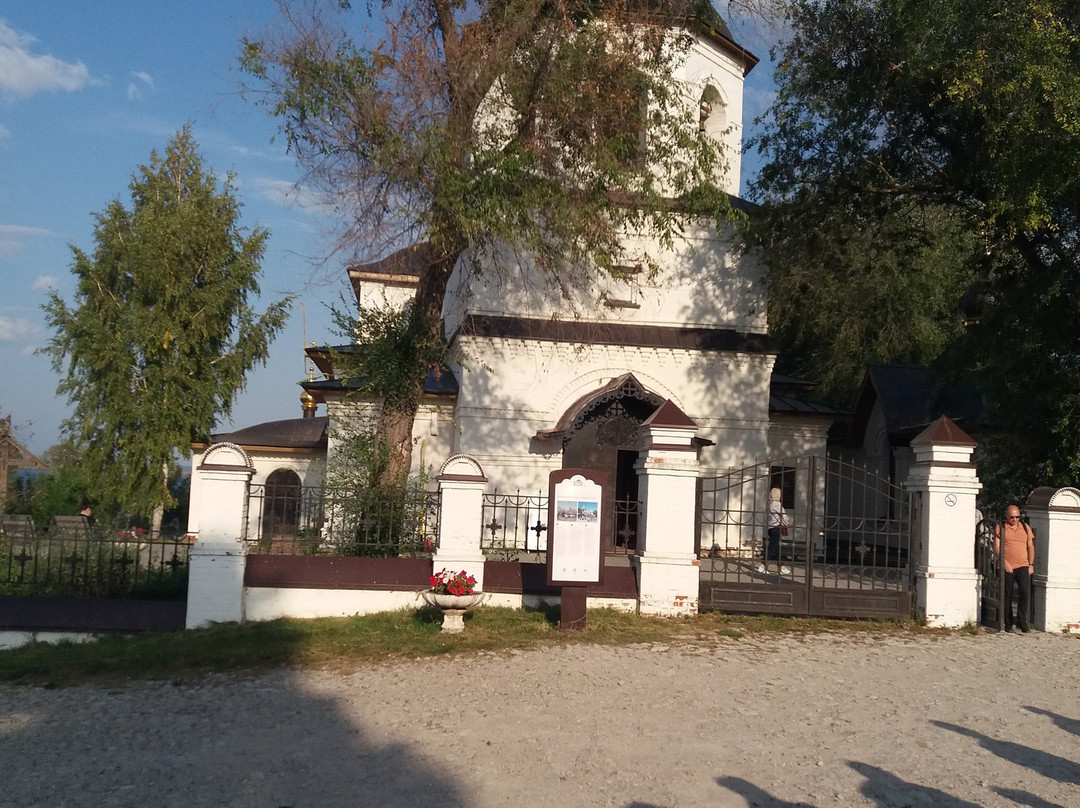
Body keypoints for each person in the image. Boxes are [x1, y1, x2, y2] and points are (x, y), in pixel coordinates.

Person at [994, 505, 1035, 633]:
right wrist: (1004, 562)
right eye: (1012, 517)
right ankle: (1008, 623)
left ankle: (1022, 622)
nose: (1014, 519)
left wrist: (1031, 564)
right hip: (1008, 565)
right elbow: (996, 545)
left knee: (1024, 593)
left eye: (1017, 517)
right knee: (1008, 594)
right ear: (1007, 516)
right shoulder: (1001, 528)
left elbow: (1030, 546)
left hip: (1023, 564)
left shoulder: (1025, 527)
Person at [759, 487, 792, 576]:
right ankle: (763, 565)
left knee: (777, 549)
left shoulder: (769, 504)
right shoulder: (777, 504)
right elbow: (784, 516)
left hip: (770, 528)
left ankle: (782, 567)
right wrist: (786, 523)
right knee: (772, 548)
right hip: (776, 528)